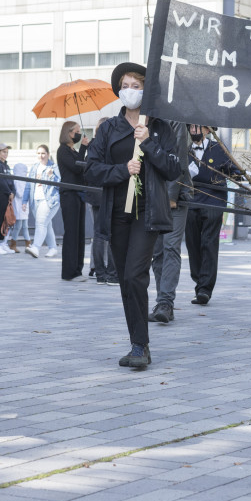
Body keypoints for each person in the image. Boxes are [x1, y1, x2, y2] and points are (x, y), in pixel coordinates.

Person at [85, 62, 181, 368]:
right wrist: (121, 170)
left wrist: (148, 142)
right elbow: (91, 168)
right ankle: (137, 344)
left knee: (133, 275)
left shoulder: (161, 127)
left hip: (147, 213)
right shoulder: (110, 128)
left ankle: (141, 346)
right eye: (125, 85)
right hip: (116, 214)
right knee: (126, 282)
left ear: (146, 90)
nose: (130, 90)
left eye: (137, 86)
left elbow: (173, 168)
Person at [185, 124, 240, 305]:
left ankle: (205, 289)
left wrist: (239, 174)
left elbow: (233, 168)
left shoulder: (218, 148)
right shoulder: (183, 149)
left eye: (198, 127)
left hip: (213, 201)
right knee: (193, 244)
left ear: (208, 130)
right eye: (191, 127)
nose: (194, 130)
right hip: (190, 200)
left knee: (208, 242)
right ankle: (199, 280)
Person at [149, 120, 192, 323]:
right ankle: (162, 302)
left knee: (170, 247)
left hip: (174, 196)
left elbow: (180, 158)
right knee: (157, 252)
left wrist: (172, 195)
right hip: (151, 194)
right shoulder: (143, 119)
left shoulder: (174, 119)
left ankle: (165, 302)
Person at [86, 118, 117, 285]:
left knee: (99, 233)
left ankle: (99, 273)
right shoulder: (111, 144)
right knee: (111, 233)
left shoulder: (93, 145)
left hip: (94, 193)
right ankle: (112, 273)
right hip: (106, 192)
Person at [57, 121, 89, 281]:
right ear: (69, 133)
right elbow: (77, 167)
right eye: (77, 131)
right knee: (72, 233)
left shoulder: (73, 150)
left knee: (79, 233)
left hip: (79, 193)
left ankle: (78, 269)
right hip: (69, 194)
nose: (79, 133)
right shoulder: (63, 151)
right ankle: (70, 272)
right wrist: (83, 147)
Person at [22, 145, 60, 259]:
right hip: (35, 201)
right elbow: (28, 185)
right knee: (46, 225)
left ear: (48, 154)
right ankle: (53, 248)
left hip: (49, 200)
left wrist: (51, 176)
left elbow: (60, 184)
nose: (41, 156)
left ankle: (36, 247)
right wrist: (24, 201)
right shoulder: (34, 167)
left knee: (41, 223)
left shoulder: (54, 167)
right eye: (38, 153)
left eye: (43, 153)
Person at [9, 162, 30, 252]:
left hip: (22, 206)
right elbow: (20, 193)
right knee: (19, 225)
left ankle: (27, 244)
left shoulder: (20, 180)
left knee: (24, 225)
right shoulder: (18, 181)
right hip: (19, 206)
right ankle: (14, 244)